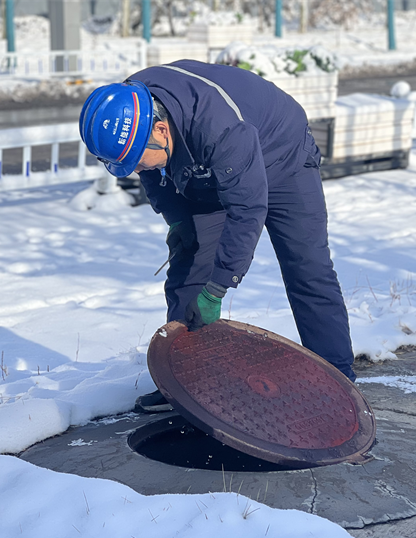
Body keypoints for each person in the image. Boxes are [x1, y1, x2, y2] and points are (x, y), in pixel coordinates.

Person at [79, 60, 355, 412]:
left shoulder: (220, 128)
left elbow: (248, 209)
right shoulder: (132, 106)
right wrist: (179, 222)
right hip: (207, 165)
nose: (135, 170)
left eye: (136, 160)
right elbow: (153, 175)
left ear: (162, 131)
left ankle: (338, 378)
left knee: (307, 267)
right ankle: (186, 382)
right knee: (191, 258)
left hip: (281, 156)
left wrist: (219, 287)